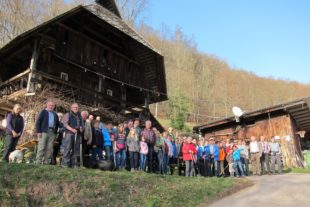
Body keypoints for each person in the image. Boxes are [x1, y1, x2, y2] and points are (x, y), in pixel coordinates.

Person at [62, 103, 84, 168]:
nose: (76, 108)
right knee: (67, 148)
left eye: (77, 107)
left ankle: (74, 164)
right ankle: (65, 164)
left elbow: (82, 125)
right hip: (69, 133)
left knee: (76, 150)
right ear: (71, 108)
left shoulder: (80, 116)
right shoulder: (67, 114)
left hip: (77, 134)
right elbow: (65, 124)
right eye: (74, 107)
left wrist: (81, 128)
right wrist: (72, 129)